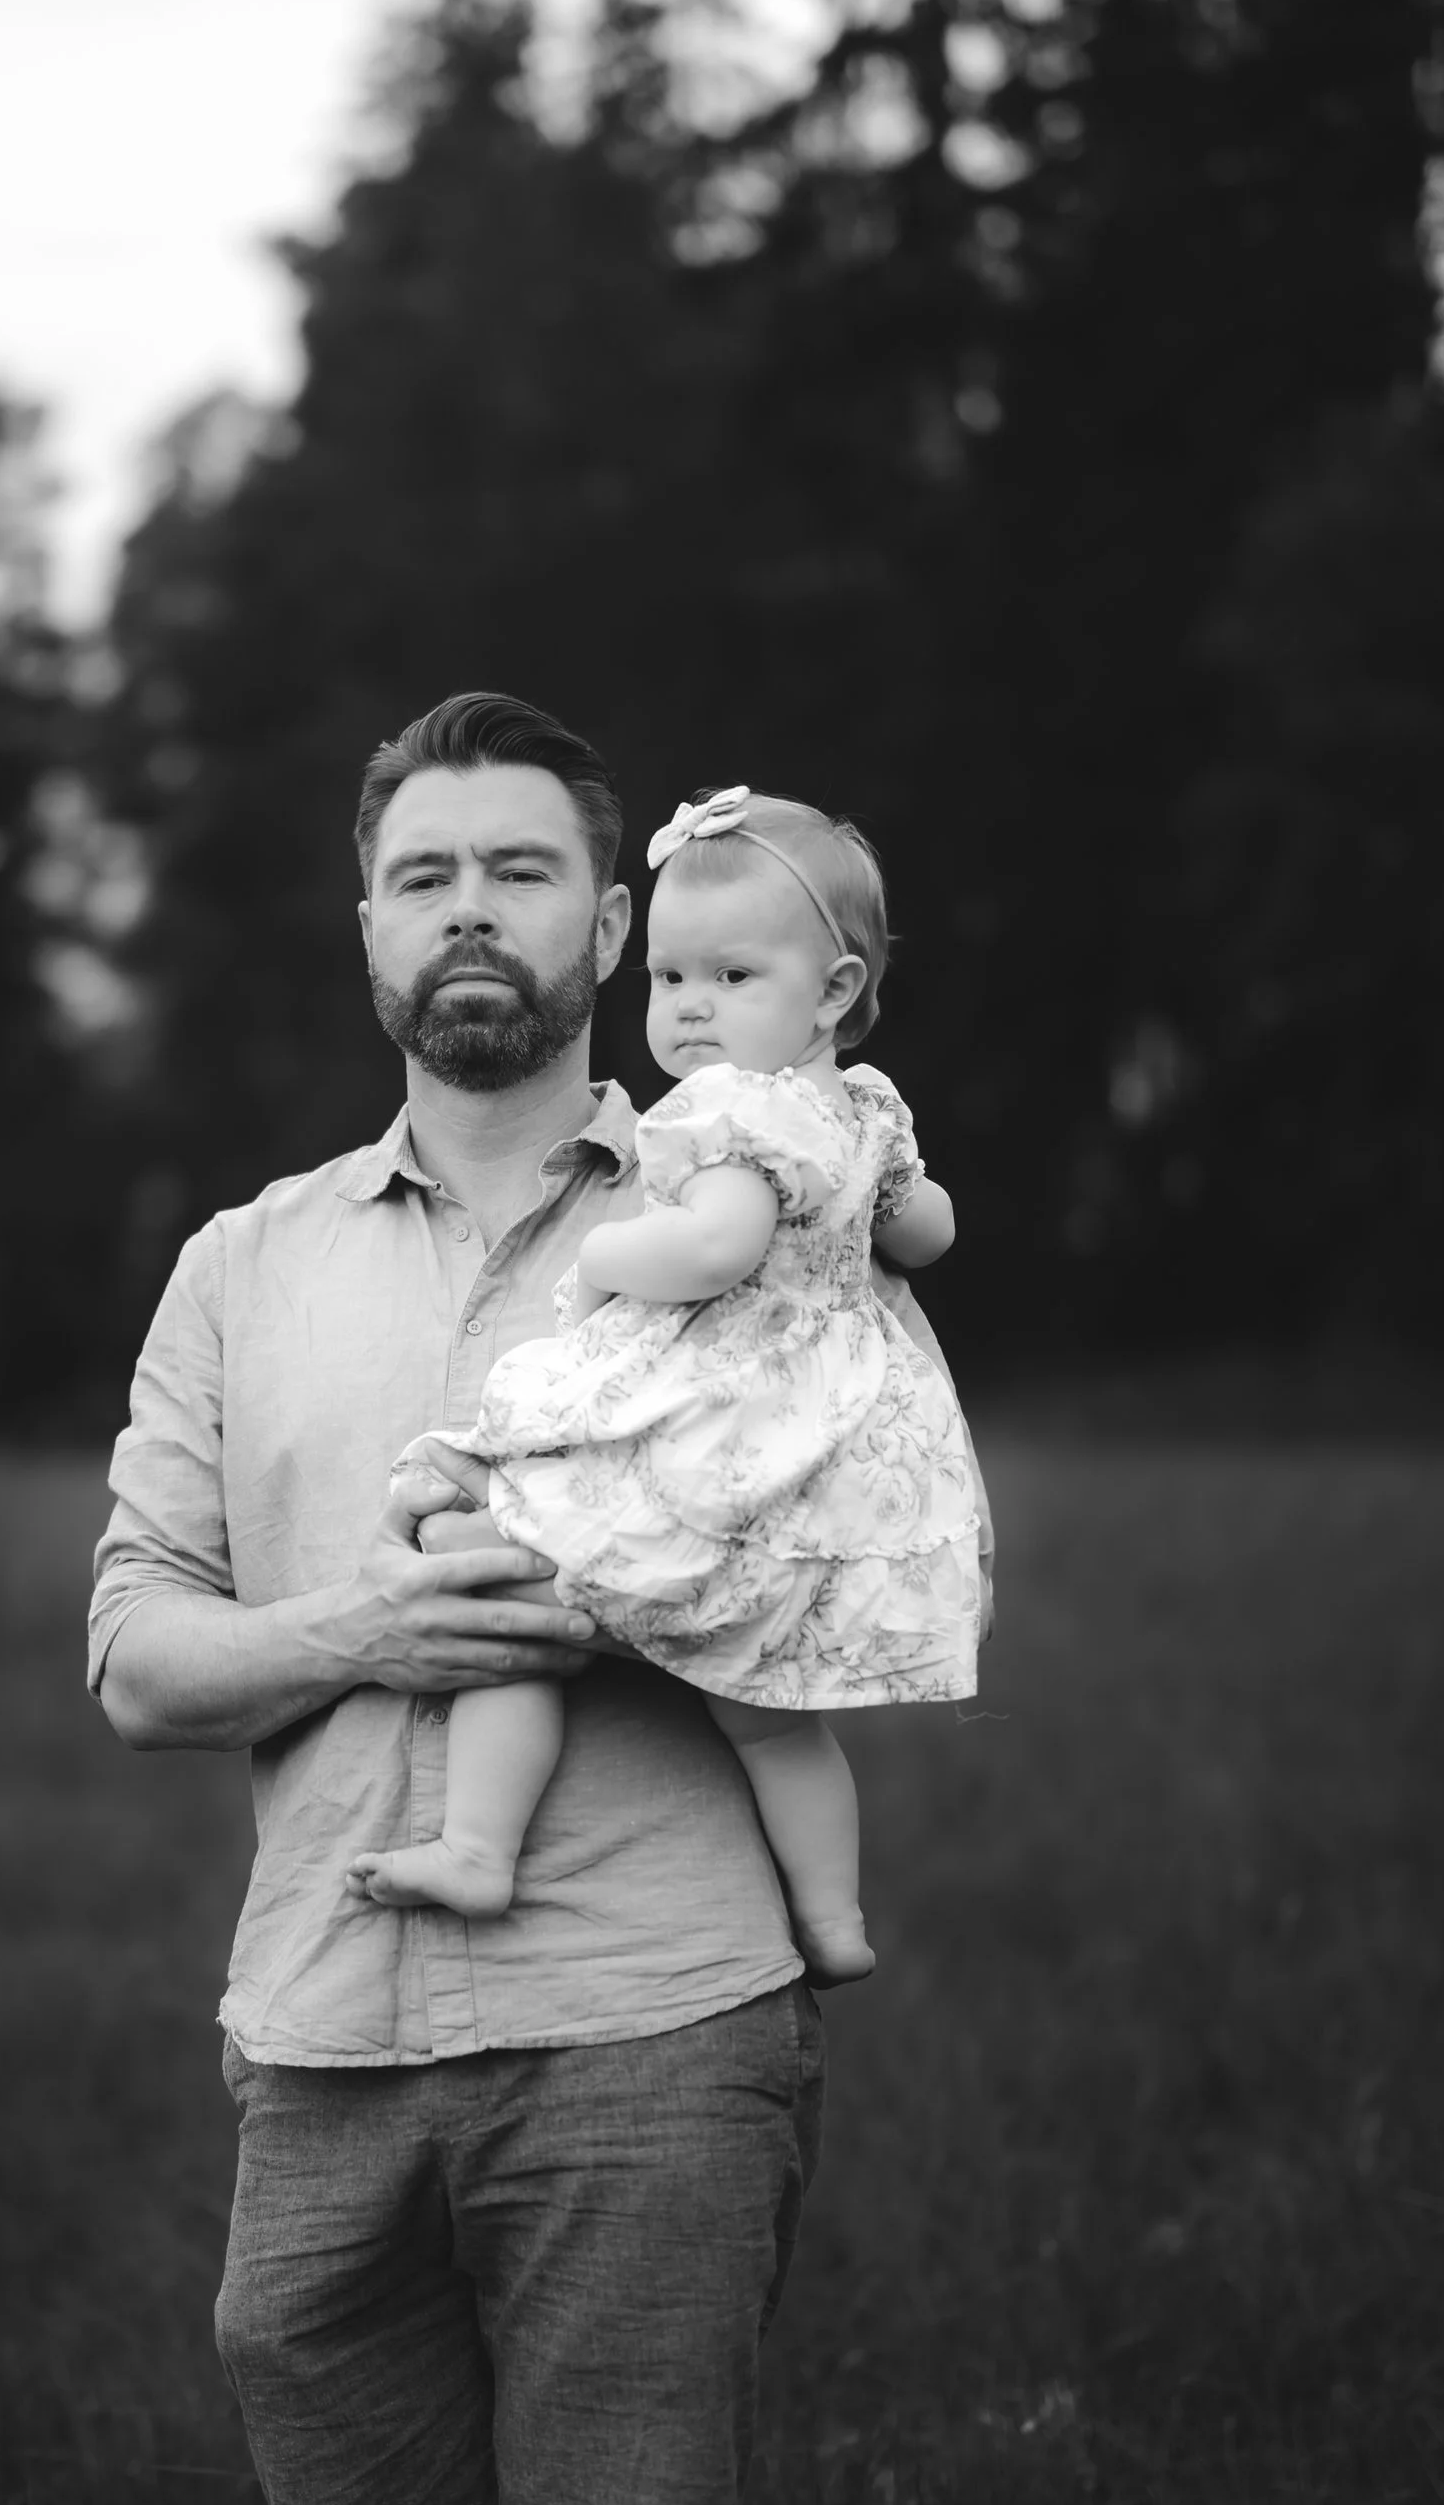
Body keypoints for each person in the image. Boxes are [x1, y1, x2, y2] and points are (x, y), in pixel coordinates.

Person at [89, 691, 938, 2505]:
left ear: (612, 927)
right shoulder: (246, 1263)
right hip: (332, 2018)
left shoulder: (744, 1188)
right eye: (421, 870)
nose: (471, 911)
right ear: (366, 924)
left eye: (522, 871)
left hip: (659, 2011)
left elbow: (851, 1527)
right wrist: (375, 1608)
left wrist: (647, 1569)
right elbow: (138, 1651)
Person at [346, 783, 985, 1984]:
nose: (690, 1011)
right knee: (772, 1718)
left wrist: (601, 1254)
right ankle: (835, 1921)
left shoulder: (729, 1110)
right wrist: (869, 1221)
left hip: (719, 1432)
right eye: (672, 981)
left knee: (514, 1575)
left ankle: (479, 1846)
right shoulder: (864, 1109)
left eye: (730, 981)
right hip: (821, 1445)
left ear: (834, 992)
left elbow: (714, 1249)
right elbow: (929, 1233)